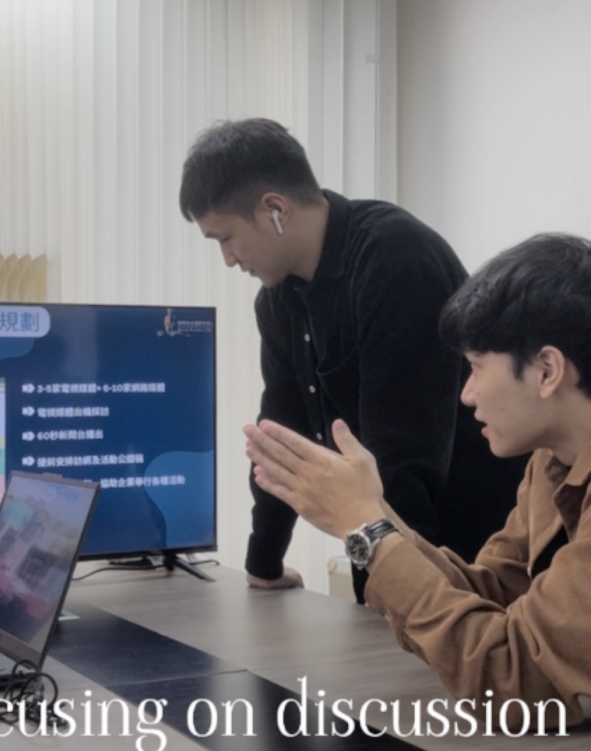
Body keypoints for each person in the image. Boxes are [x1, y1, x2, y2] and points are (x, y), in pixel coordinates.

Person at [245, 234, 591, 729]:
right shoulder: (551, 461)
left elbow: (515, 683)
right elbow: (495, 589)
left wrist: (367, 531)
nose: (467, 394)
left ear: (547, 370)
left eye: (476, 368)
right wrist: (372, 513)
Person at [179, 118, 526, 601]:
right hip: (403, 554)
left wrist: (384, 607)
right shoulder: (279, 300)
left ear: (275, 209)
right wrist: (263, 564)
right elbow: (281, 435)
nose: (229, 259)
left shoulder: (395, 261)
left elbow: (400, 463)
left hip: (477, 553)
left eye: (225, 238)